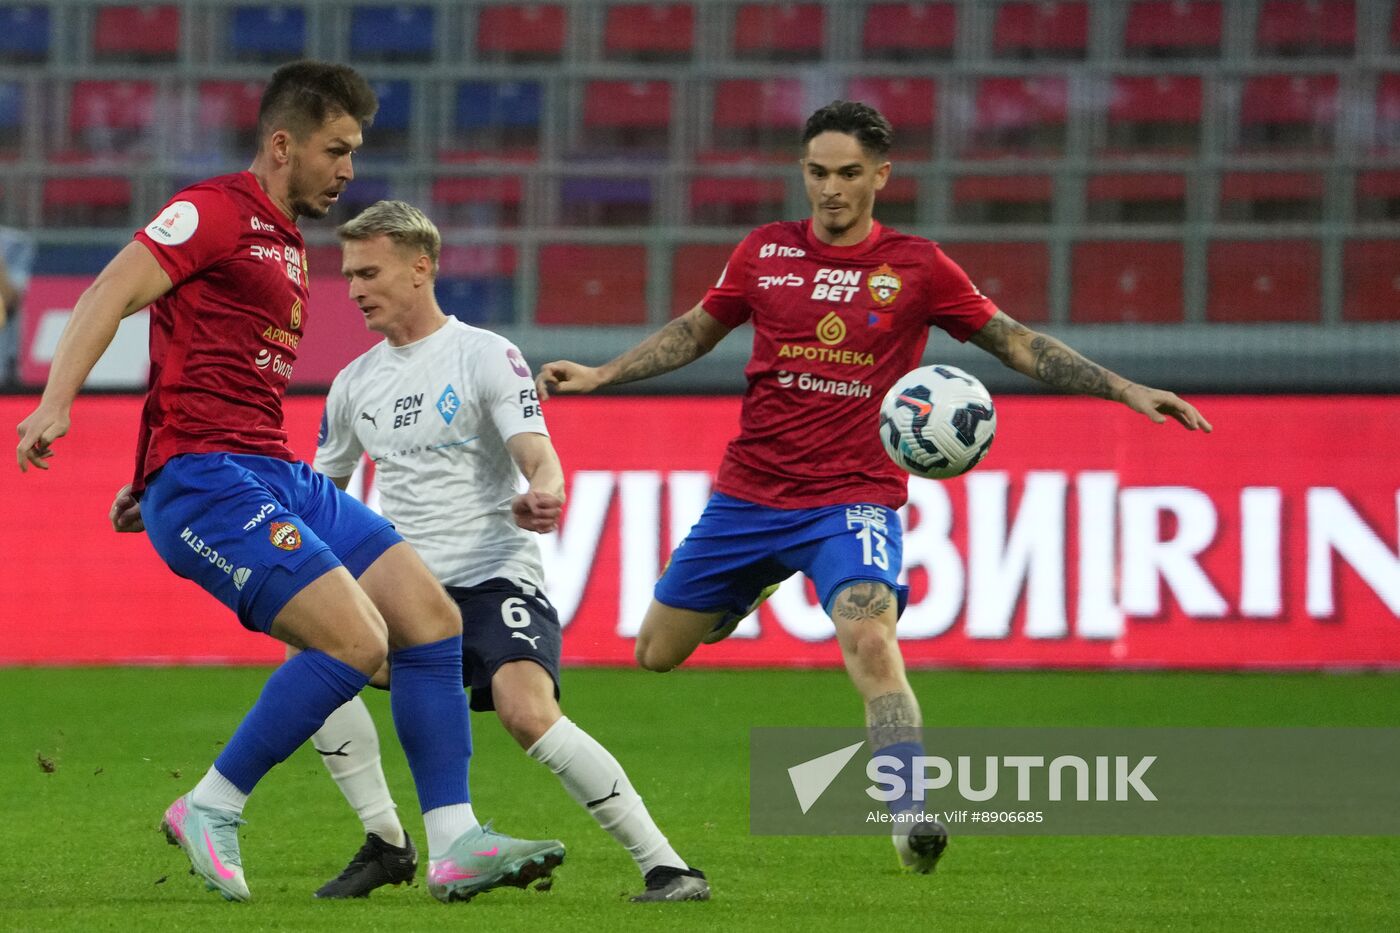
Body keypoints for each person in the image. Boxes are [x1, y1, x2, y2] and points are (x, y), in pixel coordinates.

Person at [536, 100, 1213, 875]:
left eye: (849, 174)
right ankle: (755, 585)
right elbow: (695, 328)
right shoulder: (763, 252)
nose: (830, 189)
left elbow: (1016, 340)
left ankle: (909, 808)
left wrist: (1124, 389)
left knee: (871, 641)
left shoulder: (919, 267)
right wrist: (602, 375)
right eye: (818, 172)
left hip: (851, 500)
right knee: (655, 652)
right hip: (750, 495)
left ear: (881, 177)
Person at [14, 61, 562, 904]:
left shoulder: (287, 240)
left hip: (267, 469)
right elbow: (109, 291)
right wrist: (59, 405)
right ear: (283, 144)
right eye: (336, 150)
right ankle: (211, 803)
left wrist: (143, 472)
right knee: (356, 640)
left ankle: (455, 842)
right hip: (211, 477)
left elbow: (196, 358)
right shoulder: (213, 211)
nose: (348, 170)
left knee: (430, 617)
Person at [306, 199, 708, 902]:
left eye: (369, 271)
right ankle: (388, 840)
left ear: (420, 267)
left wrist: (546, 490)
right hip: (407, 587)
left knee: (525, 710)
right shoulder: (353, 384)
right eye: (349, 273)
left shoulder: (485, 354)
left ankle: (665, 864)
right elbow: (321, 493)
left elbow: (538, 455)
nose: (355, 288)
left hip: (493, 575)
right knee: (312, 656)